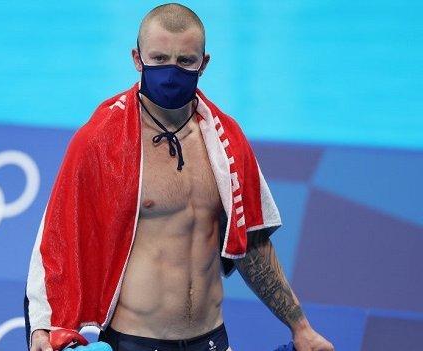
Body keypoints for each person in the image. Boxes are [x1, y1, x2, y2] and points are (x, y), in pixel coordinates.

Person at [25, 3, 334, 351]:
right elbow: (57, 240)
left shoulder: (227, 141)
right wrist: (43, 329)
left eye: (185, 61)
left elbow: (251, 245)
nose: (171, 73)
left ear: (204, 63)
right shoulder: (99, 140)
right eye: (158, 59)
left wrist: (300, 326)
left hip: (212, 341)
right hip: (135, 343)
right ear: (137, 58)